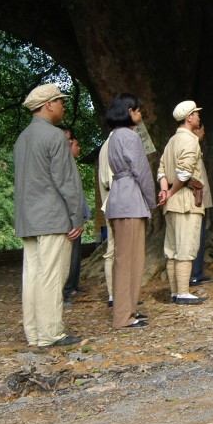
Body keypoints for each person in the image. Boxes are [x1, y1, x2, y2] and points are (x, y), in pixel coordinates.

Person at [14, 84, 84, 347]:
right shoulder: (54, 136)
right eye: (61, 102)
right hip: (53, 218)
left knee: (31, 276)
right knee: (52, 276)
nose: (63, 107)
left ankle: (34, 333)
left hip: (28, 219)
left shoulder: (23, 138)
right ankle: (51, 333)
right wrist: (77, 217)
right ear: (49, 104)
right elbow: (67, 181)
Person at [106, 94, 156, 328]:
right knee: (130, 260)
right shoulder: (130, 136)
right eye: (137, 111)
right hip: (131, 200)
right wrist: (152, 200)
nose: (140, 115)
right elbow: (142, 172)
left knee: (123, 259)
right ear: (129, 111)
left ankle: (127, 309)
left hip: (118, 197)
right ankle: (124, 315)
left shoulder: (114, 136)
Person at [157, 100, 207, 304]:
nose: (198, 117)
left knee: (172, 249)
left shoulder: (171, 141)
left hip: (172, 203)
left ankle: (175, 291)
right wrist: (170, 191)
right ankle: (184, 292)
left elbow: (161, 169)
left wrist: (164, 190)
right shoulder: (190, 141)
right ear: (188, 117)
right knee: (185, 248)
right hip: (185, 200)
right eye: (196, 114)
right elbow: (185, 173)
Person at [58, 128, 92, 305]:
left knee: (75, 256)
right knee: (67, 258)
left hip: (75, 218)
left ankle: (72, 287)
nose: (73, 145)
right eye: (71, 141)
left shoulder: (70, 164)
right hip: (67, 220)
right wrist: (75, 219)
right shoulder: (60, 164)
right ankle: (65, 291)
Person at [190, 122, 213, 286]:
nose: (204, 134)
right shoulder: (190, 148)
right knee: (193, 237)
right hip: (194, 199)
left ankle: (197, 272)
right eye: (203, 130)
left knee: (201, 236)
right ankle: (192, 275)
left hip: (201, 199)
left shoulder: (197, 148)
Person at [97, 131, 116, 306]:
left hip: (114, 205)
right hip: (116, 206)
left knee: (114, 250)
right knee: (114, 251)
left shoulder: (107, 144)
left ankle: (116, 294)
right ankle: (113, 294)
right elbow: (108, 180)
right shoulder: (112, 144)